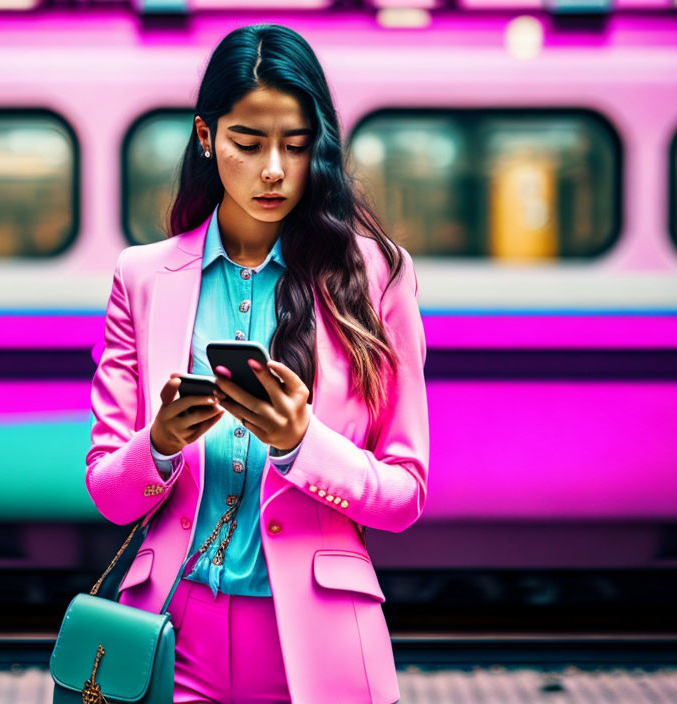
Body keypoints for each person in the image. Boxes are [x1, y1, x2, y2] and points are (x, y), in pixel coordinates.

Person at [85, 22, 429, 704]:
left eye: (296, 146)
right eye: (248, 142)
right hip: (169, 632)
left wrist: (301, 444)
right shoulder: (144, 276)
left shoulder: (377, 274)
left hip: (320, 637)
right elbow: (108, 491)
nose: (274, 169)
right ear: (207, 138)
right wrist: (160, 443)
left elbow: (406, 494)